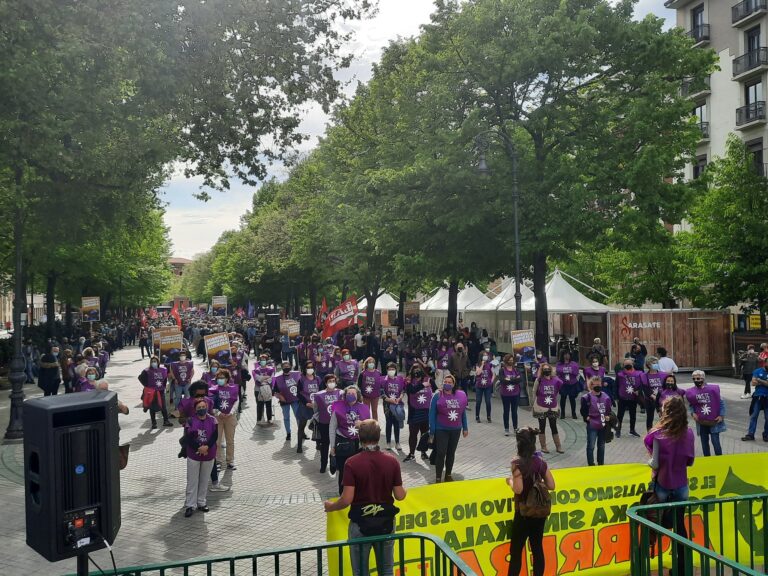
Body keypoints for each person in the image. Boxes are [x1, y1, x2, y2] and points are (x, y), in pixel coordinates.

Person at [323, 419, 407, 576]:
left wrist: (331, 507)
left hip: (360, 524)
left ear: (359, 438)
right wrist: (405, 490)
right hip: (386, 523)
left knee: (361, 571)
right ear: (378, 437)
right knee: (387, 569)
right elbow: (400, 495)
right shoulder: (392, 461)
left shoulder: (352, 463)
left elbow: (347, 499)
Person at [644, 396, 695, 576]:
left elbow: (655, 464)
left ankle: (645, 565)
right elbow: (690, 462)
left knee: (654, 523)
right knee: (679, 526)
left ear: (665, 412)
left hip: (663, 484)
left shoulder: (658, 435)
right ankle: (682, 568)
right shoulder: (689, 433)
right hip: (681, 486)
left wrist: (649, 462)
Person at [506, 427, 556, 576]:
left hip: (523, 513)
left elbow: (518, 490)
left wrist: (509, 482)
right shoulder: (540, 462)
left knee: (516, 551)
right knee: (537, 548)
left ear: (519, 444)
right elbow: (552, 485)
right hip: (539, 513)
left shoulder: (517, 463)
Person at [329, 385, 371, 494]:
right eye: (348, 393)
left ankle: (357, 494)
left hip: (359, 444)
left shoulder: (364, 408)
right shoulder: (337, 407)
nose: (351, 395)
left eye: (353, 394)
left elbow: (370, 427)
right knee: (343, 471)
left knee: (359, 471)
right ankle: (342, 493)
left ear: (358, 395)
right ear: (344, 395)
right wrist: (332, 446)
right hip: (343, 443)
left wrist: (362, 424)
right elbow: (332, 428)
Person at [181, 398, 219, 517]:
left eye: (204, 407)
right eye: (199, 408)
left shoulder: (213, 420)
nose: (202, 409)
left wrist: (207, 447)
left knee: (204, 479)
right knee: (192, 480)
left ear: (207, 407)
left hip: (209, 454)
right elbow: (188, 438)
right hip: (194, 454)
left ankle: (201, 502)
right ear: (195, 409)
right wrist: (199, 447)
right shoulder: (191, 421)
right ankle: (190, 505)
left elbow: (215, 436)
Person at [428, 373, 469, 483]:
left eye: (449, 382)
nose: (446, 384)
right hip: (441, 429)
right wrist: (432, 430)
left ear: (454, 384)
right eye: (445, 382)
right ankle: (438, 477)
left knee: (451, 453)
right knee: (441, 453)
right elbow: (432, 413)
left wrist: (465, 427)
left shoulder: (460, 395)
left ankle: (448, 475)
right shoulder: (437, 395)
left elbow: (462, 413)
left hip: (456, 429)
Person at [685, 370, 725, 456]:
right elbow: (691, 404)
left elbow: (721, 402)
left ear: (703, 378)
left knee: (715, 441)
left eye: (698, 378)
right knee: (704, 442)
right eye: (694, 379)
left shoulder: (713, 389)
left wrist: (721, 415)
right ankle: (707, 459)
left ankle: (720, 460)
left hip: (714, 420)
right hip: (701, 421)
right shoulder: (691, 392)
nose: (696, 380)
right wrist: (693, 413)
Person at [404, 364, 434, 462]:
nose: (417, 372)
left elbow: (437, 389)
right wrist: (422, 385)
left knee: (424, 434)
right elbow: (411, 391)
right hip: (414, 411)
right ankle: (411, 454)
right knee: (413, 434)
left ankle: (423, 452)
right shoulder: (409, 381)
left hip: (426, 411)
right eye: (414, 370)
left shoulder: (428, 380)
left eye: (419, 370)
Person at [580, 376, 612, 466]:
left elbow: (608, 410)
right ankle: (591, 464)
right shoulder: (586, 397)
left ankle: (601, 463)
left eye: (599, 384)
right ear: (591, 385)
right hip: (592, 424)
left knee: (601, 445)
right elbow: (583, 410)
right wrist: (586, 417)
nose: (598, 386)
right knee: (591, 445)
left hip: (603, 424)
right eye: (595, 384)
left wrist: (608, 416)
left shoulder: (606, 397)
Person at [314, 375, 343, 473]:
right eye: (330, 381)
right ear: (326, 383)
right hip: (324, 423)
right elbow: (316, 409)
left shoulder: (341, 393)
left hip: (337, 424)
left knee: (335, 445)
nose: (332, 383)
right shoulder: (318, 395)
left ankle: (334, 465)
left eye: (333, 381)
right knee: (325, 445)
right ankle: (323, 465)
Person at [532, 363, 563, 454]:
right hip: (541, 406)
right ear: (542, 371)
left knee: (554, 426)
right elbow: (534, 391)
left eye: (548, 369)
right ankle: (543, 446)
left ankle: (558, 446)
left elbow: (560, 386)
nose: (547, 371)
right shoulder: (539, 380)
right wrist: (534, 402)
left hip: (552, 406)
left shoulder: (555, 380)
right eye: (544, 369)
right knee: (542, 426)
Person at [212, 368, 239, 470]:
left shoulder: (234, 388)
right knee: (217, 441)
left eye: (222, 378)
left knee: (230, 441)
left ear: (227, 379)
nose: (220, 380)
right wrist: (218, 412)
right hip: (218, 418)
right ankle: (218, 461)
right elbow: (211, 404)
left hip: (230, 417)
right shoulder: (213, 389)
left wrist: (231, 412)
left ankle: (230, 461)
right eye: (218, 378)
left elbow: (236, 401)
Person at [139, 355, 172, 429]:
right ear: (150, 362)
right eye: (152, 361)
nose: (154, 363)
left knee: (163, 406)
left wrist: (164, 386)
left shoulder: (163, 369)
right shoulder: (147, 371)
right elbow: (140, 378)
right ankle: (154, 423)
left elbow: (165, 378)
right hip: (152, 392)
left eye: (155, 361)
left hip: (160, 391)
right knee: (152, 407)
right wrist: (147, 385)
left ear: (158, 362)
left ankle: (166, 421)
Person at [272, 360, 301, 442]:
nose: (286, 368)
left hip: (295, 400)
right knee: (286, 418)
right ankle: (288, 433)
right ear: (282, 368)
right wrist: (280, 396)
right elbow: (274, 392)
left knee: (298, 417)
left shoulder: (296, 375)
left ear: (291, 367)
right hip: (284, 401)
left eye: (288, 366)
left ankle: (301, 431)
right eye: (284, 367)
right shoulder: (278, 379)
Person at [615, 359, 645, 438]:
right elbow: (616, 385)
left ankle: (632, 430)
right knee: (620, 415)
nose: (628, 365)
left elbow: (642, 384)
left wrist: (639, 391)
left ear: (633, 364)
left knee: (633, 415)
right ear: (623, 365)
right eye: (626, 364)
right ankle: (618, 430)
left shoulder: (639, 374)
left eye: (629, 363)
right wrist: (616, 397)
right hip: (622, 398)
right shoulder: (620, 374)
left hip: (633, 398)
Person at [297, 361, 322, 453]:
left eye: (311, 367)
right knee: (301, 426)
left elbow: (321, 392)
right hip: (305, 406)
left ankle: (318, 444)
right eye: (308, 367)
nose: (310, 369)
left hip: (316, 407)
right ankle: (299, 446)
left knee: (317, 426)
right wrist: (306, 403)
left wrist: (317, 404)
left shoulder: (318, 379)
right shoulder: (301, 380)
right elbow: (298, 394)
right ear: (304, 369)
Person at [381, 363, 406, 451]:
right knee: (388, 423)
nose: (391, 371)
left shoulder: (400, 379)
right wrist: (388, 399)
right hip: (388, 405)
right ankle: (388, 442)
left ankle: (397, 442)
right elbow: (381, 392)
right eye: (389, 369)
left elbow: (403, 390)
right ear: (387, 370)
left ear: (395, 370)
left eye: (393, 369)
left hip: (397, 404)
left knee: (396, 423)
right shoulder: (383, 380)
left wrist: (400, 398)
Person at [742, 365, 768, 442]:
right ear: (765, 363)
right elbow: (753, 383)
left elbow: (758, 381)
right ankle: (750, 434)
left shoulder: (758, 374)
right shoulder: (757, 371)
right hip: (758, 397)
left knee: (767, 418)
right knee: (753, 416)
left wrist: (759, 380)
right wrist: (765, 382)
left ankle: (766, 435)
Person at [498, 354, 522, 435]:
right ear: (506, 361)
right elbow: (502, 381)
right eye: (509, 360)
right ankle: (506, 428)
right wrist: (514, 379)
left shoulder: (516, 370)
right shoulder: (502, 370)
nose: (511, 361)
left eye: (512, 360)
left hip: (515, 393)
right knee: (506, 411)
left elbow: (519, 380)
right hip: (505, 394)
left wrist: (509, 379)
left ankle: (515, 428)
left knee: (514, 411)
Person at [643, 356, 668, 432]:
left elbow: (666, 386)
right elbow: (645, 388)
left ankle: (665, 431)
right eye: (654, 363)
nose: (656, 364)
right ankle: (649, 432)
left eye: (657, 363)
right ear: (648, 365)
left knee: (663, 415)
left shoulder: (663, 375)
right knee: (650, 417)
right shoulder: (645, 375)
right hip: (650, 400)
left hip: (661, 399)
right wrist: (652, 396)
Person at [252, 353, 275, 426]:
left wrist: (262, 379)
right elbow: (257, 379)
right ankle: (259, 419)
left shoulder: (271, 369)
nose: (263, 361)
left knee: (268, 404)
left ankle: (269, 418)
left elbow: (271, 379)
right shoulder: (256, 370)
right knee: (259, 405)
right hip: (258, 389)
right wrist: (265, 378)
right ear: (259, 361)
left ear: (266, 360)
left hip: (267, 388)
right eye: (261, 360)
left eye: (264, 360)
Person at [169, 350, 195, 415]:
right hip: (178, 383)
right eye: (181, 355)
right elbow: (171, 371)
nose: (182, 357)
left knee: (187, 396)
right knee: (178, 397)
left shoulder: (189, 363)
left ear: (185, 356)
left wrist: (190, 378)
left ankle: (187, 408)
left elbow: (192, 371)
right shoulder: (175, 364)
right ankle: (177, 408)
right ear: (179, 356)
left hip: (187, 383)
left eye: (183, 355)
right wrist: (174, 379)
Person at [556, 351, 580, 420]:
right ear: (563, 355)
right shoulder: (559, 364)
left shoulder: (574, 363)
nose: (567, 356)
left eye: (568, 354)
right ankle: (563, 413)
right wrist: (568, 370)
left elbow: (576, 372)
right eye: (565, 354)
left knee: (572, 399)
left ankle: (573, 413)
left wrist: (565, 371)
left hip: (572, 383)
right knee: (563, 398)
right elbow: (558, 371)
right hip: (563, 384)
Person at [358, 357, 382, 422]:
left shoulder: (378, 373)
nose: (371, 364)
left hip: (375, 396)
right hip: (366, 396)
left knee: (374, 411)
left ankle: (375, 426)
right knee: (366, 411)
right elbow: (359, 385)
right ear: (367, 364)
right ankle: (366, 426)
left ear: (374, 364)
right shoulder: (363, 373)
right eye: (369, 362)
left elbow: (381, 384)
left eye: (372, 362)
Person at [474, 349, 494, 423]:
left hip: (487, 386)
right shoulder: (478, 364)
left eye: (486, 355)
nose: (485, 356)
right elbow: (478, 373)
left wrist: (491, 381)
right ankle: (477, 416)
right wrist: (482, 364)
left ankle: (488, 416)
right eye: (484, 355)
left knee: (488, 401)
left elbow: (493, 374)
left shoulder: (490, 364)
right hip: (479, 386)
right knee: (478, 401)